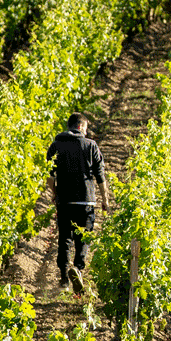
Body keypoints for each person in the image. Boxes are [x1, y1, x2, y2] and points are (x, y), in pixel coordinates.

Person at [47, 112, 106, 295]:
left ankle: (64, 277)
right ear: (81, 127)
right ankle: (78, 269)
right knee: (83, 237)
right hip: (86, 200)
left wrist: (55, 193)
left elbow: (50, 176)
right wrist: (105, 199)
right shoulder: (91, 145)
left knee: (64, 237)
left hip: (64, 200)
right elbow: (100, 176)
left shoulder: (55, 145)